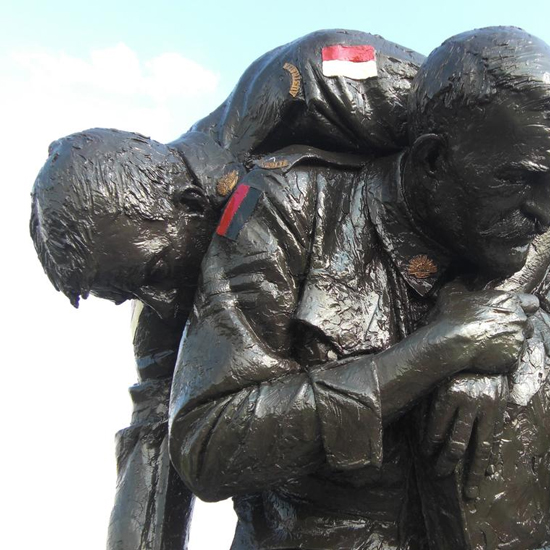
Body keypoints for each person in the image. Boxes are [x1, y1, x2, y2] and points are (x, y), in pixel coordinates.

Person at [163, 28, 550, 550]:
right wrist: (435, 353)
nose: (546, 213)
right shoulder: (289, 208)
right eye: (518, 181)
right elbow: (206, 446)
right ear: (433, 160)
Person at [30, 29, 424, 550]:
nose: (163, 306)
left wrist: (499, 299)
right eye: (129, 296)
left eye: (153, 276)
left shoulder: (303, 82)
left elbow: (502, 137)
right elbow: (156, 453)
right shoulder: (160, 301)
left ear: (188, 203)